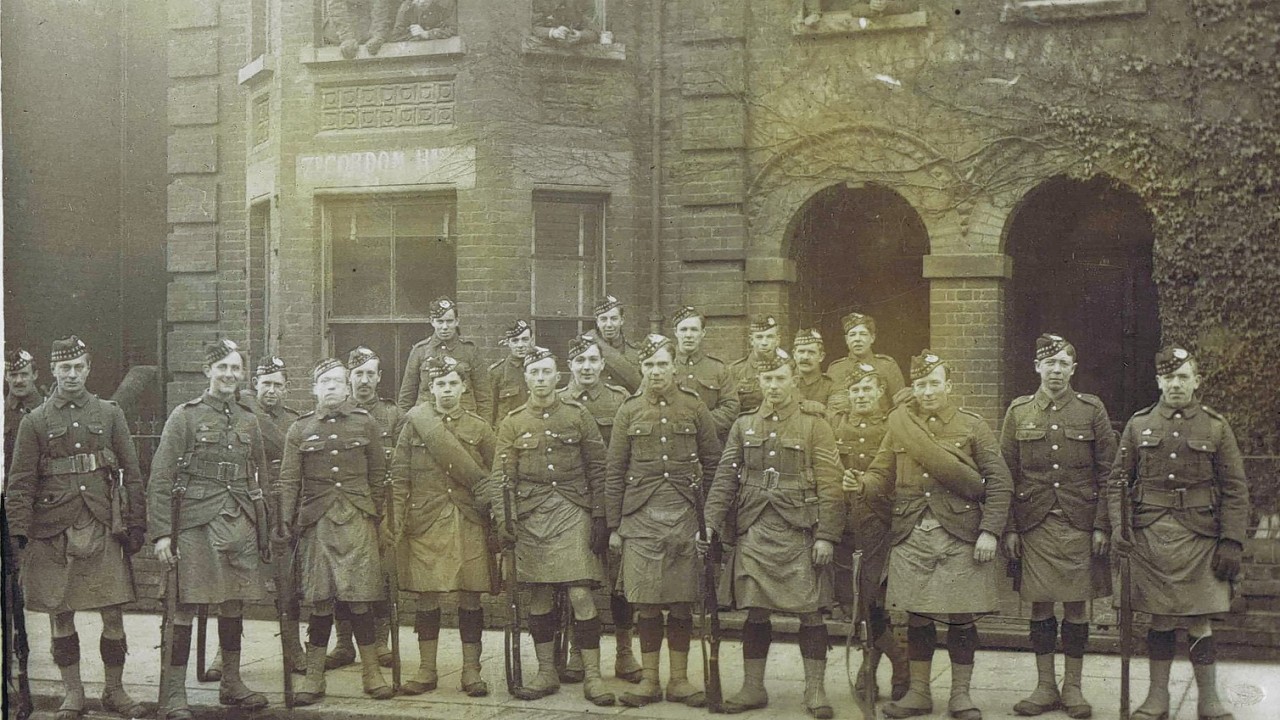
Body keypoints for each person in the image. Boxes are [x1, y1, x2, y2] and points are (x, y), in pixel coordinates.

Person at [849, 350, 1013, 720]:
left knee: (960, 618)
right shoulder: (899, 425)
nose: (926, 391)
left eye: (933, 383)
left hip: (960, 534)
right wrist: (862, 483)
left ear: (948, 385)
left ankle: (960, 696)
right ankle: (919, 693)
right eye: (920, 384)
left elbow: (1000, 481)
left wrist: (990, 531)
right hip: (911, 533)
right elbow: (881, 474)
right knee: (918, 617)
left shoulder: (972, 425)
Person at [6, 336, 147, 720]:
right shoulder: (35, 421)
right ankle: (73, 693)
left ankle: (114, 691)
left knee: (112, 613)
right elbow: (20, 482)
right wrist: (18, 535)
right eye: (64, 368)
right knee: (60, 613)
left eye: (78, 367)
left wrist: (137, 523)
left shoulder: (109, 413)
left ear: (88, 368)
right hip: (52, 529)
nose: (71, 374)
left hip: (101, 524)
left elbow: (132, 473)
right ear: (52, 370)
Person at [1109, 346, 1249, 720]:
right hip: (1151, 536)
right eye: (1169, 377)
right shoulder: (1138, 425)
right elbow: (1117, 483)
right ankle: (1158, 698)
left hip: (1201, 535)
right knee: (1160, 619)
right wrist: (1119, 527)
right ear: (1158, 381)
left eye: (1183, 376)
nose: (1175, 383)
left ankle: (1209, 699)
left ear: (1196, 381)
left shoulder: (1216, 427)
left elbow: (1235, 488)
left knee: (1199, 619)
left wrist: (1232, 540)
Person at [704, 348, 843, 718]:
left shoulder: (816, 424)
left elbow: (831, 484)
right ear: (759, 382)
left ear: (794, 379)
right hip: (754, 528)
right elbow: (724, 479)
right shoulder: (744, 424)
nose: (774, 385)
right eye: (768, 379)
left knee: (811, 613)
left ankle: (814, 691)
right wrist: (711, 521)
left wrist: (827, 535)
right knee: (755, 612)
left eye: (781, 377)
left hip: (800, 531)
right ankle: (752, 687)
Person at [148, 339, 272, 717]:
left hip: (239, 522)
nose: (230, 375)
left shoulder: (249, 418)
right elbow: (161, 477)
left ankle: (231, 683)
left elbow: (260, 476)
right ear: (208, 372)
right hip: (196, 522)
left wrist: (263, 529)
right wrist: (162, 534)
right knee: (184, 605)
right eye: (223, 368)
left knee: (233, 603)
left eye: (236, 368)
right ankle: (172, 695)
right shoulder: (184, 417)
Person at [489, 346, 615, 706]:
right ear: (526, 378)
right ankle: (546, 671)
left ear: (557, 376)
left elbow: (599, 468)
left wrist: (600, 516)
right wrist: (505, 521)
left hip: (574, 510)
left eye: (547, 372)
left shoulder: (577, 415)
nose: (541, 379)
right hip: (531, 516)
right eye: (534, 373)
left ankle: (592, 675)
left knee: (580, 592)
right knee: (541, 593)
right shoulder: (512, 422)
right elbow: (502, 478)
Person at [1000, 334, 1117, 718]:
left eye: (1063, 363)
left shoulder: (1091, 410)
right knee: (1039, 606)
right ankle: (1045, 686)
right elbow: (1005, 476)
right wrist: (1011, 529)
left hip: (1080, 524)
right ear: (1037, 367)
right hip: (1034, 525)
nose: (1056, 370)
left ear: (1073, 369)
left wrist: (1103, 524)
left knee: (1077, 606)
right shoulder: (1018, 412)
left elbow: (1108, 473)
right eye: (1049, 363)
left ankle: (1074, 689)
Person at [605, 334, 722, 708]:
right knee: (649, 603)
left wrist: (712, 520)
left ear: (674, 366)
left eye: (662, 364)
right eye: (649, 365)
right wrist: (614, 527)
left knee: (683, 602)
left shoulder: (694, 407)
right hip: (640, 517)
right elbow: (614, 470)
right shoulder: (629, 410)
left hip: (687, 514)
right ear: (641, 369)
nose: (655, 372)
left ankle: (681, 681)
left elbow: (715, 463)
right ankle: (650, 681)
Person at [278, 358, 393, 704]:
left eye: (337, 382)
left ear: (347, 389)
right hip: (318, 522)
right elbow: (288, 480)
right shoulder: (299, 429)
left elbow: (378, 473)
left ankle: (371, 673)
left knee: (360, 599)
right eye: (324, 381)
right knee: (320, 600)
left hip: (357, 519)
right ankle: (314, 677)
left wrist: (374, 514)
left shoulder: (365, 423)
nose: (330, 387)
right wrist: (286, 521)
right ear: (314, 388)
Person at [387, 355, 496, 696]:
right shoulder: (414, 425)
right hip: (425, 523)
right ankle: (426, 669)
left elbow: (494, 480)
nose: (446, 390)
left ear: (464, 387)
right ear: (429, 388)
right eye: (440, 384)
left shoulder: (480, 428)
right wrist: (395, 525)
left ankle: (471, 670)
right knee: (426, 598)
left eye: (453, 383)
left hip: (467, 520)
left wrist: (496, 523)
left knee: (470, 598)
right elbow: (400, 478)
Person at [205, 356, 303, 679]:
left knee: (286, 583)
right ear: (255, 386)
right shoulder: (243, 415)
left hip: (282, 507)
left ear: (286, 388)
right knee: (233, 582)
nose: (271, 391)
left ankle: (293, 648)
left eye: (277, 384)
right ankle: (224, 653)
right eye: (265, 384)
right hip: (248, 506)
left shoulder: (295, 422)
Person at [558, 334, 640, 685]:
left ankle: (624, 652)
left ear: (603, 364)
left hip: (616, 503)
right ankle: (579, 650)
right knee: (579, 582)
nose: (587, 367)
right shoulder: (558, 401)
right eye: (580, 362)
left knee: (622, 583)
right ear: (569, 366)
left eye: (592, 360)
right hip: (574, 505)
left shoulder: (620, 401)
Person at [830, 362, 910, 702]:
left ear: (880, 392)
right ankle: (895, 659)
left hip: (881, 523)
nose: (861, 395)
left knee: (874, 600)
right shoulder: (833, 425)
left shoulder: (895, 425)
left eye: (867, 389)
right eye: (855, 390)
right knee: (853, 602)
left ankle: (873, 670)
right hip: (845, 524)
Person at [326, 347, 403, 670]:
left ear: (379, 377)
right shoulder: (334, 414)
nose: (365, 380)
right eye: (358, 374)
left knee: (381, 578)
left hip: (383, 507)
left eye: (371, 373)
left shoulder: (393, 415)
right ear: (348, 378)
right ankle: (344, 644)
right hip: (346, 508)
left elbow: (400, 466)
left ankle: (381, 643)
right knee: (342, 577)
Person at [397, 297, 490, 418]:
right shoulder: (420, 351)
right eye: (440, 321)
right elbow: (407, 397)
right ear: (432, 321)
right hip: (427, 421)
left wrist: (484, 427)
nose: (445, 327)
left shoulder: (470, 351)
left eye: (449, 321)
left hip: (463, 421)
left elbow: (484, 397)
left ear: (457, 321)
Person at [671, 306, 739, 441]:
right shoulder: (664, 366)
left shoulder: (718, 368)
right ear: (675, 332)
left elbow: (731, 408)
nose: (689, 335)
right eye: (683, 329)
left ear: (703, 333)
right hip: (672, 441)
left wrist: (700, 424)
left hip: (708, 441)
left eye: (694, 330)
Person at [827, 312, 905, 414]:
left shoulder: (887, 365)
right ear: (846, 339)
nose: (857, 339)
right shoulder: (835, 369)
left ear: (872, 338)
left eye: (863, 334)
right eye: (852, 335)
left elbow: (900, 404)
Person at [587, 295, 642, 393]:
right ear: (597, 322)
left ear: (622, 320)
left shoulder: (636, 351)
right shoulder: (586, 349)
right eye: (603, 319)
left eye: (614, 319)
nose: (609, 325)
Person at [728, 314, 781, 416]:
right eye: (759, 337)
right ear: (752, 340)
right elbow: (730, 408)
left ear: (777, 340)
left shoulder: (788, 368)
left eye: (769, 337)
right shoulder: (735, 371)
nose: (764, 342)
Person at [5, 347, 44, 474]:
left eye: (24, 374)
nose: (18, 381)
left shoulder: (47, 409)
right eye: (13, 375)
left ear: (35, 375)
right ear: (6, 376)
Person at [488, 320, 534, 426]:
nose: (520, 345)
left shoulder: (540, 367)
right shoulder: (497, 372)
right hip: (508, 431)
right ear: (508, 342)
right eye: (515, 341)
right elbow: (491, 410)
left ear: (532, 340)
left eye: (525, 339)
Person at [792, 329, 836, 413]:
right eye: (801, 352)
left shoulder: (831, 386)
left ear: (821, 357)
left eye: (811, 352)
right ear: (794, 354)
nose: (805, 357)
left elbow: (833, 416)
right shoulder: (785, 383)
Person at [532, 0, 600, 44]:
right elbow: (533, 27)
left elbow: (593, 31)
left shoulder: (586, 2)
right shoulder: (542, 1)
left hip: (578, 54)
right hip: (545, 52)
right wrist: (552, 32)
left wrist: (580, 35)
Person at [391, 0, 456, 41]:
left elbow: (454, 29)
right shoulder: (407, 6)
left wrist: (427, 34)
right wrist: (415, 34)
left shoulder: (446, 3)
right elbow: (396, 35)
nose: (421, 1)